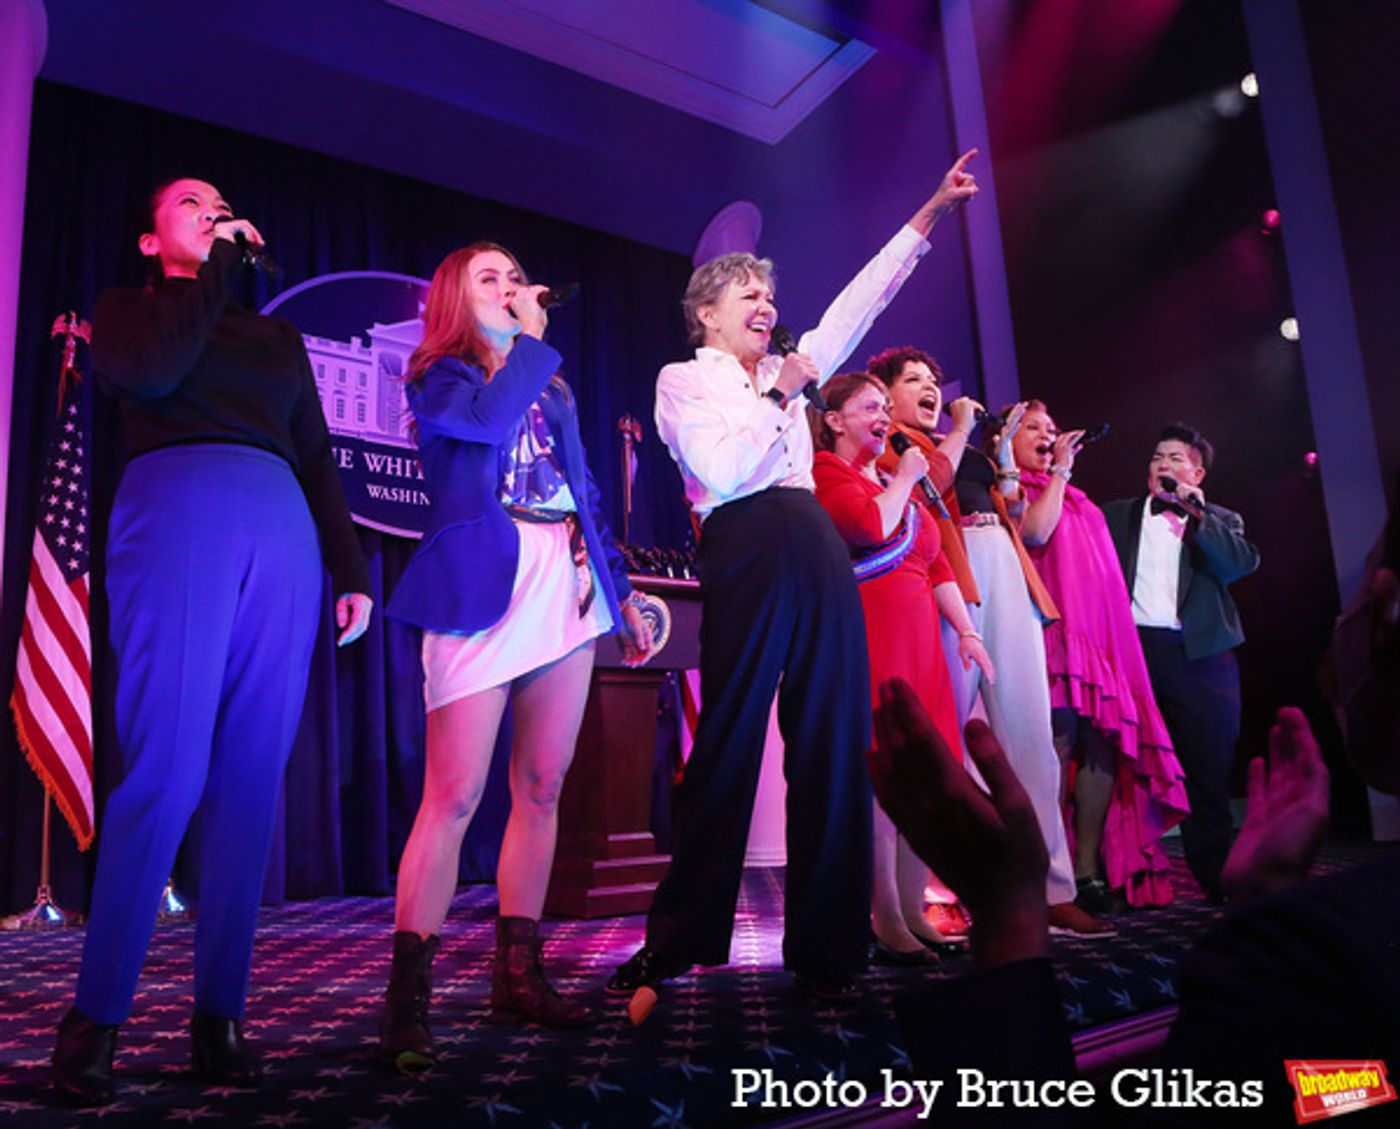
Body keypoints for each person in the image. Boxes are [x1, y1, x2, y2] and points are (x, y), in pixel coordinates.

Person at [609, 150, 981, 1000]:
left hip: (814, 543)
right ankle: (680, 939)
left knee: (833, 740)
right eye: (749, 296)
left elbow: (864, 296)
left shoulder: (793, 366)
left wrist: (930, 212)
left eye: (770, 298)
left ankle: (830, 944)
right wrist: (782, 395)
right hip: (744, 542)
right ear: (707, 314)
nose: (767, 307)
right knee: (731, 739)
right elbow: (727, 470)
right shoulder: (684, 382)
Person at [52, 179, 373, 1106]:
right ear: (153, 241)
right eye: (190, 203)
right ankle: (98, 1013)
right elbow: (152, 373)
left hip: (282, 526)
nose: (211, 209)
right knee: (166, 767)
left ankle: (218, 1015)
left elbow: (313, 451)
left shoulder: (276, 336)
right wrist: (218, 271)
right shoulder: (129, 310)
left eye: (220, 204)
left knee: (249, 780)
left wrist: (349, 570)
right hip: (177, 508)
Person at [380, 243, 657, 1071]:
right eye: (488, 279)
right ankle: (407, 998)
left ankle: (518, 973)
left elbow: (583, 490)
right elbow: (484, 426)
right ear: (457, 301)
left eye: (513, 275)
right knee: (456, 793)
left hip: (562, 585)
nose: (509, 287)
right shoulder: (441, 375)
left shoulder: (555, 385)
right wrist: (528, 346)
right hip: (480, 589)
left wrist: (620, 591)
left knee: (542, 782)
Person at [869, 351, 1112, 938]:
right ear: (885, 395)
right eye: (915, 382)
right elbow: (929, 487)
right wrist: (957, 428)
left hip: (1003, 566)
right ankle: (932, 892)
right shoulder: (889, 441)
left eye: (934, 379)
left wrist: (1001, 453)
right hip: (949, 575)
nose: (931, 388)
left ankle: (1053, 889)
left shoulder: (968, 448)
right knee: (939, 739)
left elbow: (1020, 516)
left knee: (1031, 731)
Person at [810, 373, 994, 962]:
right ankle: (884, 913)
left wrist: (966, 631)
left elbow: (936, 565)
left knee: (922, 777)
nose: (883, 416)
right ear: (835, 420)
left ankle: (915, 909)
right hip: (873, 637)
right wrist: (910, 477)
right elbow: (868, 528)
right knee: (884, 775)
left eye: (885, 408)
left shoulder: (896, 478)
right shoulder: (826, 473)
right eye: (870, 407)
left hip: (924, 643)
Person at [1010, 402, 1189, 911]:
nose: (1049, 436)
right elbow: (1036, 535)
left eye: (1052, 428)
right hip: (1050, 639)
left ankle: (1087, 867)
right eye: (1036, 429)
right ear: (1008, 438)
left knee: (1104, 745)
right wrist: (1060, 473)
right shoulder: (1016, 491)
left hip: (1099, 646)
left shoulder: (1084, 504)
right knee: (1057, 745)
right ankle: (1054, 868)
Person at [1101, 424, 1260, 903]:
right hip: (1134, 655)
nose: (1163, 465)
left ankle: (1216, 877)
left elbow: (1240, 565)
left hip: (1200, 658)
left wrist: (1198, 512)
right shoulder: (1117, 516)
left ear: (1197, 471)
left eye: (1174, 457)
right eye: (1156, 457)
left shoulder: (1220, 519)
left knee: (1207, 771)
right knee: (1124, 764)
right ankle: (1119, 877)